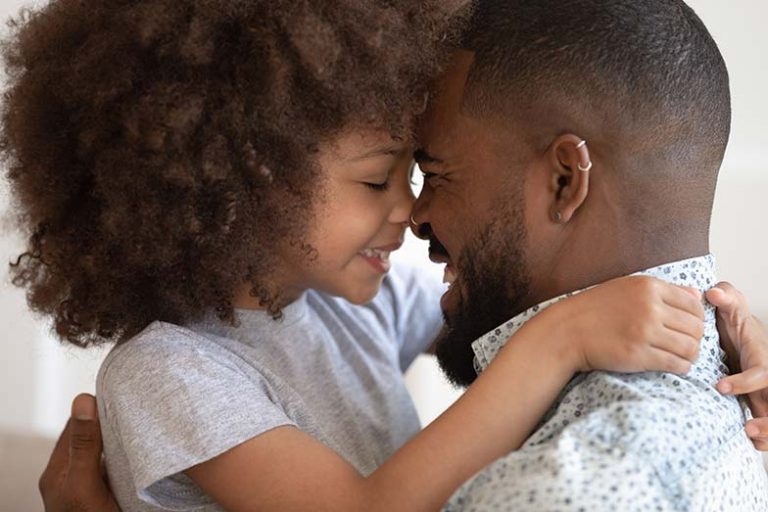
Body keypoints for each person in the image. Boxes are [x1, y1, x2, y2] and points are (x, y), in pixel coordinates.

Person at [2, 1, 739, 511]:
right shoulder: (168, 373)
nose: (408, 210)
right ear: (249, 179)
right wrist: (564, 337)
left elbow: (496, 306)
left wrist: (724, 332)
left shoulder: (347, 301)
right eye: (375, 179)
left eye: (418, 176)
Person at [408, 0, 768, 509]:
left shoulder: (573, 483)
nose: (415, 215)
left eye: (437, 173)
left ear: (563, 182)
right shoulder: (706, 388)